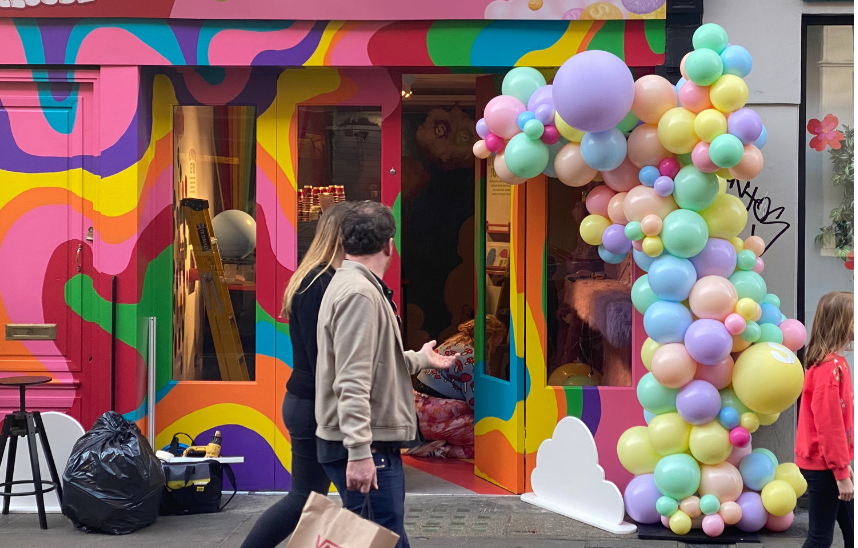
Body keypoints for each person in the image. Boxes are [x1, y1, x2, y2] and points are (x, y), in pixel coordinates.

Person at [315, 201, 458, 548]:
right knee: (382, 538)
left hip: (366, 441)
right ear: (389, 245)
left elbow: (373, 362)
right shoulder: (360, 294)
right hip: (369, 445)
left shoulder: (349, 284)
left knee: (379, 537)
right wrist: (360, 453)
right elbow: (351, 379)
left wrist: (419, 359)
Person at [241, 201, 353, 548]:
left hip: (307, 402)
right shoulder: (320, 283)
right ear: (343, 237)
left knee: (308, 498)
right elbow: (324, 356)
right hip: (315, 405)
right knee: (317, 499)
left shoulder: (316, 279)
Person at [796, 291, 855, 548]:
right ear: (841, 322)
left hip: (833, 463)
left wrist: (845, 465)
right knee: (820, 538)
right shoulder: (828, 370)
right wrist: (841, 472)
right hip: (825, 467)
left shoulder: (837, 364)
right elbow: (829, 427)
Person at [409, 315, 505, 459]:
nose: (493, 351)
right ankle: (440, 450)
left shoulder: (453, 342)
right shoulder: (473, 359)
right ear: (488, 341)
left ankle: (429, 441)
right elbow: (474, 402)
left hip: (414, 412)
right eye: (493, 346)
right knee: (489, 436)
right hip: (434, 417)